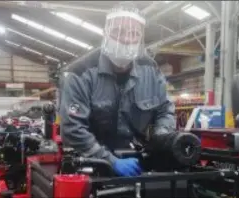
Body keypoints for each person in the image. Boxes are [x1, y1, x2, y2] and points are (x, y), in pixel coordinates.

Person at [59, 2, 176, 177]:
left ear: (141, 38)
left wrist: (161, 136)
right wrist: (110, 161)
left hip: (138, 163)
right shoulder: (81, 73)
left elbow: (165, 110)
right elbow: (72, 128)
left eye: (134, 34)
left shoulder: (150, 70)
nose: (127, 39)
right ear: (105, 33)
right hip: (92, 164)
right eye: (118, 32)